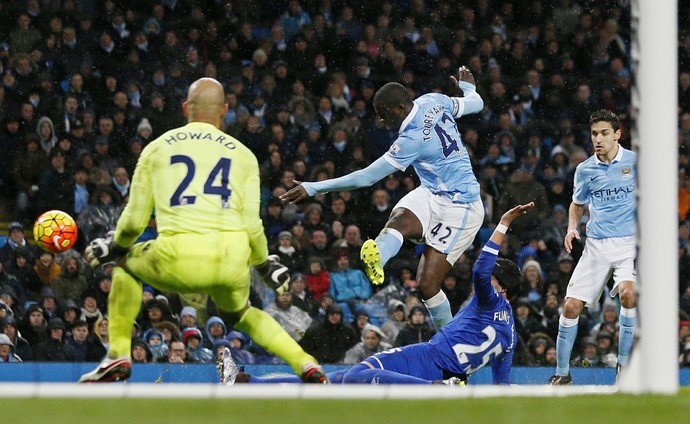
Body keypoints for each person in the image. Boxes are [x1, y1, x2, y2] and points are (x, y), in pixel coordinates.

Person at [79, 78, 326, 383]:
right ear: (224, 110)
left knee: (124, 268)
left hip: (178, 256)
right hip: (231, 260)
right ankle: (306, 363)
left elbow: (133, 221)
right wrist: (263, 264)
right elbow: (252, 224)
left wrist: (116, 246)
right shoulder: (245, 155)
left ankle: (117, 355)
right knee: (242, 314)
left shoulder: (156, 148)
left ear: (185, 109)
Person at [221, 203, 533, 385]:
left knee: (357, 375)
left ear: (501, 285)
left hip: (428, 360)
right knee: (338, 380)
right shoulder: (510, 334)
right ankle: (249, 384)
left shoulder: (489, 299)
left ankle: (437, 388)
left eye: (493, 276)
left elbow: (481, 269)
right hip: (442, 369)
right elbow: (501, 386)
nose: (482, 280)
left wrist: (502, 223)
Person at [281, 66, 485, 330]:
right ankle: (378, 256)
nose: (381, 120)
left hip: (462, 206)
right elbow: (476, 103)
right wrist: (469, 88)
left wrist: (314, 187)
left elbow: (365, 178)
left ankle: (450, 345)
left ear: (399, 109)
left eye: (383, 114)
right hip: (432, 191)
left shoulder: (410, 139)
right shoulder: (433, 100)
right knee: (399, 218)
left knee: (426, 285)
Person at [549, 110, 637, 385]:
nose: (598, 139)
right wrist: (572, 227)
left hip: (629, 245)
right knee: (571, 307)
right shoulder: (584, 169)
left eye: (604, 133)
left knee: (628, 295)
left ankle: (623, 367)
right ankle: (562, 375)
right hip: (596, 246)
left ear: (617, 134)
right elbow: (577, 204)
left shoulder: (635, 162)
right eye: (594, 134)